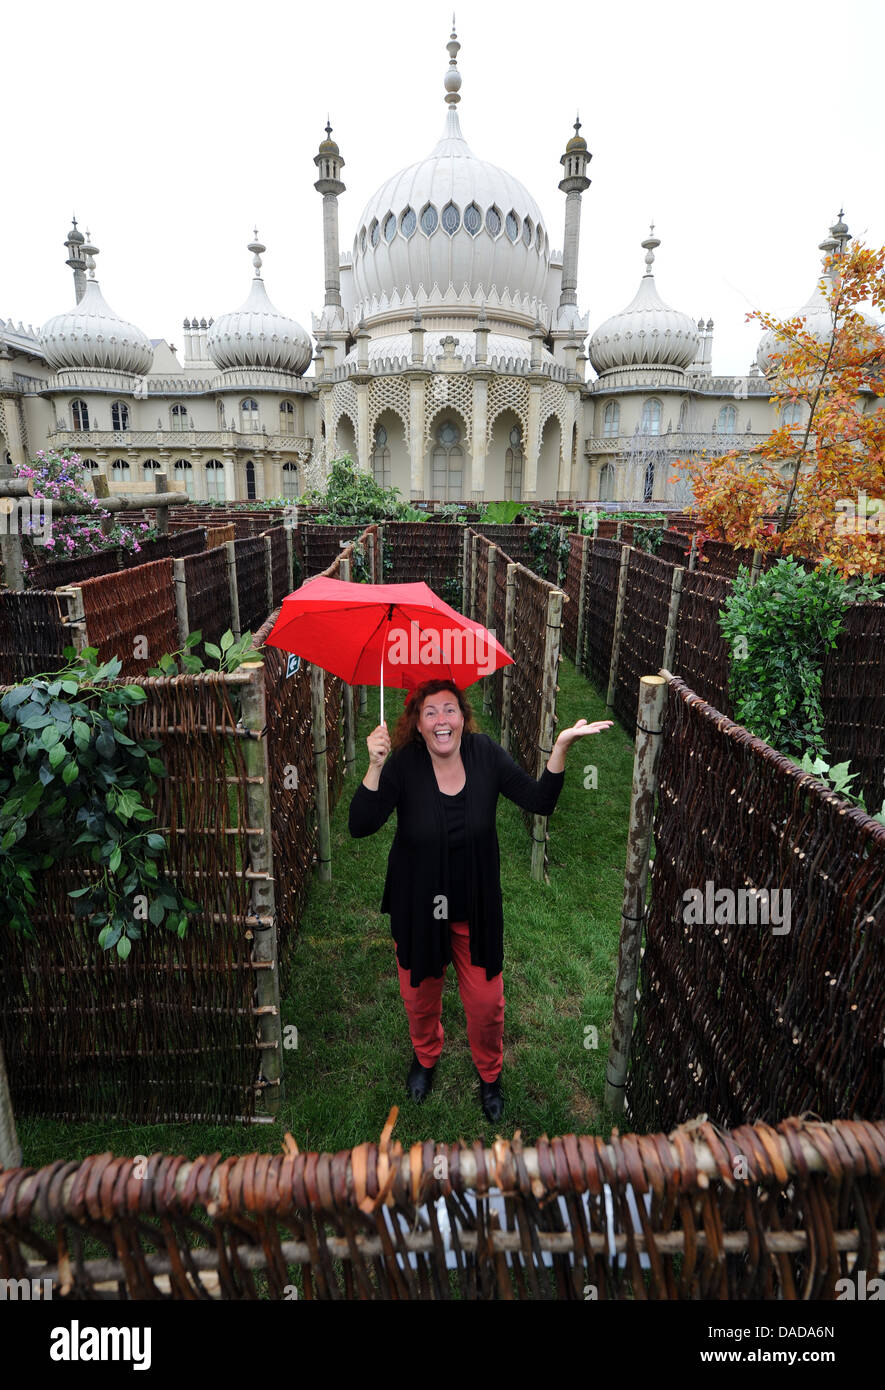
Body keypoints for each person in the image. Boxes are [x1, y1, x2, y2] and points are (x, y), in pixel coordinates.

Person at [348, 677, 613, 1122]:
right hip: (419, 905)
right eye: (430, 712)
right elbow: (360, 825)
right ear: (417, 723)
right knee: (419, 996)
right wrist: (374, 767)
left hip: (474, 904)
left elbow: (539, 801)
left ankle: (490, 1074)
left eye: (449, 709)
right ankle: (426, 1056)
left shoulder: (485, 754)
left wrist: (562, 747)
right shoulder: (403, 765)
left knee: (487, 1003)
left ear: (463, 716)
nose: (441, 721)